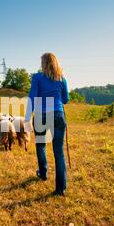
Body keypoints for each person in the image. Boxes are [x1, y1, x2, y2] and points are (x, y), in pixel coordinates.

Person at [25, 53, 69, 196]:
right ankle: (60, 188)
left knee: (41, 145)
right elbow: (66, 100)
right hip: (58, 115)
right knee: (59, 152)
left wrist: (27, 119)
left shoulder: (37, 77)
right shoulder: (62, 79)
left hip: (40, 115)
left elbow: (32, 97)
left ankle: (43, 173)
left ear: (43, 63)